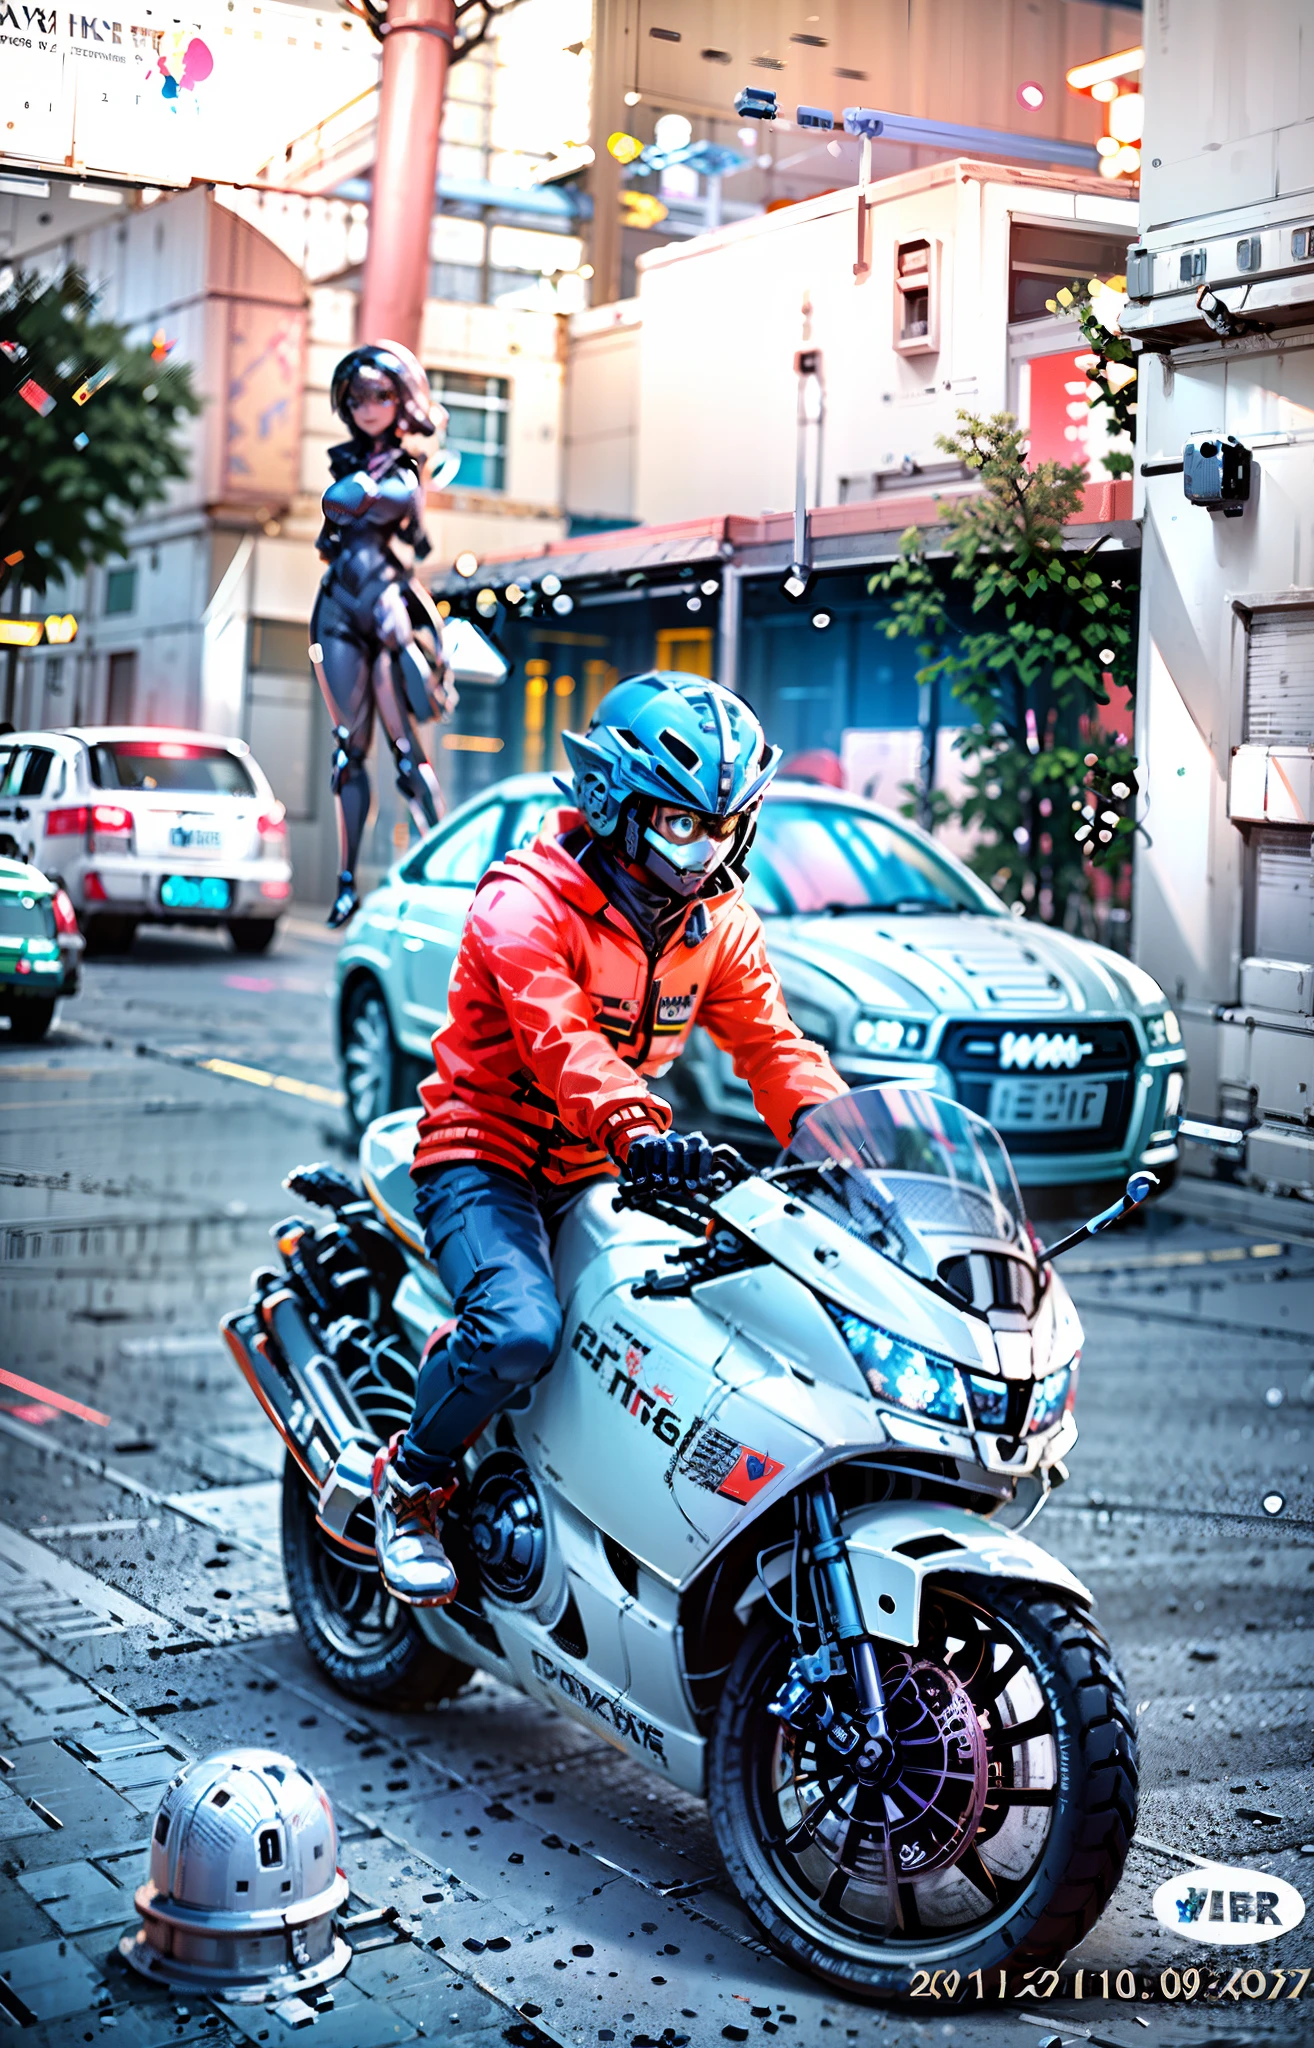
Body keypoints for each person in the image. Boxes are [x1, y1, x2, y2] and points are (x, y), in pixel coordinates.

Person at [371, 672, 848, 1604]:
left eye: (724, 827)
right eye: (680, 824)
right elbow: (562, 1041)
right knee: (518, 1332)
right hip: (485, 1156)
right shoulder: (526, 903)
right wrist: (635, 1126)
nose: (705, 850)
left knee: (684, 1339)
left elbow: (775, 1047)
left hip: (607, 1169)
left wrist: (850, 1150)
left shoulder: (717, 928)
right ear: (614, 806)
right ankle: (411, 1484)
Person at [311, 340, 451, 929]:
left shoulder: (402, 471)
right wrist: (352, 498)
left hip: (386, 604)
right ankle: (347, 882)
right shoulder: (346, 463)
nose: (369, 406)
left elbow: (401, 508)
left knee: (405, 749)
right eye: (359, 396)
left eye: (382, 395)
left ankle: (440, 870)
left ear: (403, 401)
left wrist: (366, 495)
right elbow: (334, 520)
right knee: (350, 749)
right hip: (339, 605)